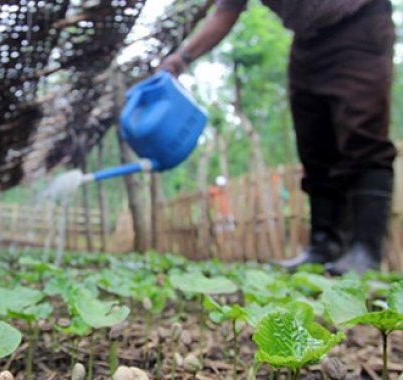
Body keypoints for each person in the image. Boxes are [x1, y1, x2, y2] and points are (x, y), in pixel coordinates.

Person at [161, 0, 397, 275]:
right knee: (314, 146)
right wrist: (181, 58)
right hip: (307, 41)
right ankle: (323, 246)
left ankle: (365, 251)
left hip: (359, 22)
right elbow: (225, 13)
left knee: (361, 132)